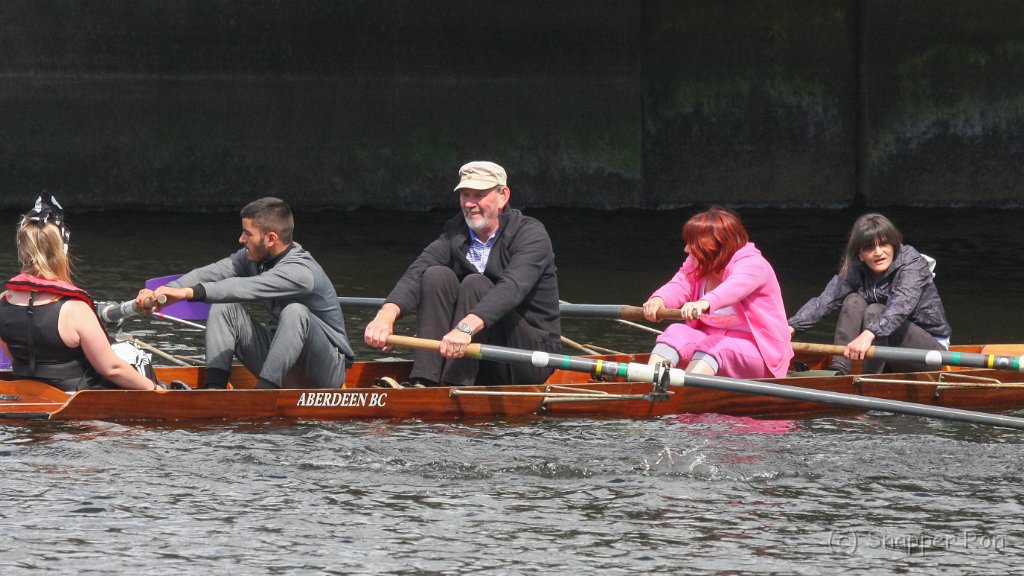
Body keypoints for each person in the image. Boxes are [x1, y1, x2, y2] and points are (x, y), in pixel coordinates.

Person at [364, 161, 560, 387]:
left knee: (475, 284)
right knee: (436, 276)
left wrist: (464, 328)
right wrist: (385, 316)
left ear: (503, 196)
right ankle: (426, 380)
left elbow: (511, 288)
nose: (469, 203)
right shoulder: (455, 233)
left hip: (528, 356)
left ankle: (453, 386)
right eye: (465, 195)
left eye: (479, 195)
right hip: (476, 354)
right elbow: (417, 272)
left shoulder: (531, 235)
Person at [136, 197, 354, 389]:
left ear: (271, 238)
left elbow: (244, 287)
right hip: (282, 361)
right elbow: (211, 273)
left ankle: (263, 394)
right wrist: (166, 292)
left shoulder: (301, 271)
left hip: (325, 371)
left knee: (295, 312)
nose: (241, 239)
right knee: (224, 307)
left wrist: (188, 293)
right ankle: (214, 391)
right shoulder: (252, 257)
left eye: (248, 234)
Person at [0, 195, 159, 391]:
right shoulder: (75, 310)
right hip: (75, 394)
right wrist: (157, 391)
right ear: (60, 253)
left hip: (25, 388)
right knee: (135, 354)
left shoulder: (3, 301)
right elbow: (111, 369)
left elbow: (13, 356)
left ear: (23, 252)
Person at [788, 213, 951, 374]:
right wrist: (791, 327)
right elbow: (824, 301)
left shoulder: (913, 265)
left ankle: (870, 379)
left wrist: (869, 334)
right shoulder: (855, 268)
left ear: (894, 244)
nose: (878, 252)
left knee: (875, 310)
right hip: (883, 346)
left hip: (929, 352)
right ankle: (839, 370)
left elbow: (901, 305)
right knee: (853, 300)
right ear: (860, 254)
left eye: (884, 244)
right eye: (869, 247)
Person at [641, 206, 793, 379]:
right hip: (708, 345)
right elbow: (679, 284)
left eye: (693, 243)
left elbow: (734, 288)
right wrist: (658, 300)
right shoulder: (697, 262)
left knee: (716, 346)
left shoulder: (753, 264)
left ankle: (686, 393)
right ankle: (649, 384)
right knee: (676, 331)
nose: (686, 249)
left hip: (761, 356)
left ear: (713, 245)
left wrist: (704, 303)